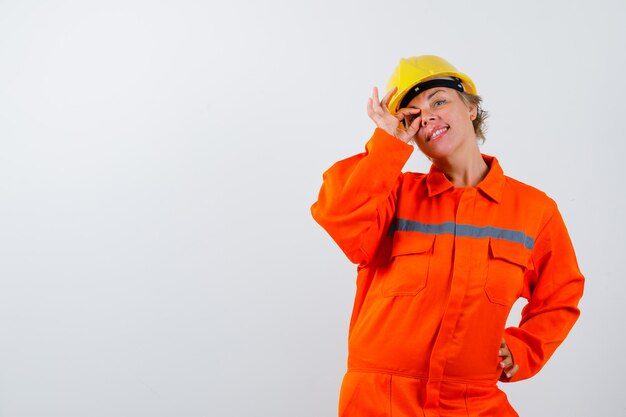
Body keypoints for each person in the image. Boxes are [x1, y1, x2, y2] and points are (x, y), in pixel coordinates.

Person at [310, 55, 584, 417]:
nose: (428, 115)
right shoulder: (392, 194)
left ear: (471, 109)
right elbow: (338, 214)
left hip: (473, 401)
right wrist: (387, 144)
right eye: (412, 114)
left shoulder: (533, 210)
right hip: (381, 401)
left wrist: (523, 349)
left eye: (439, 101)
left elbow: (560, 293)